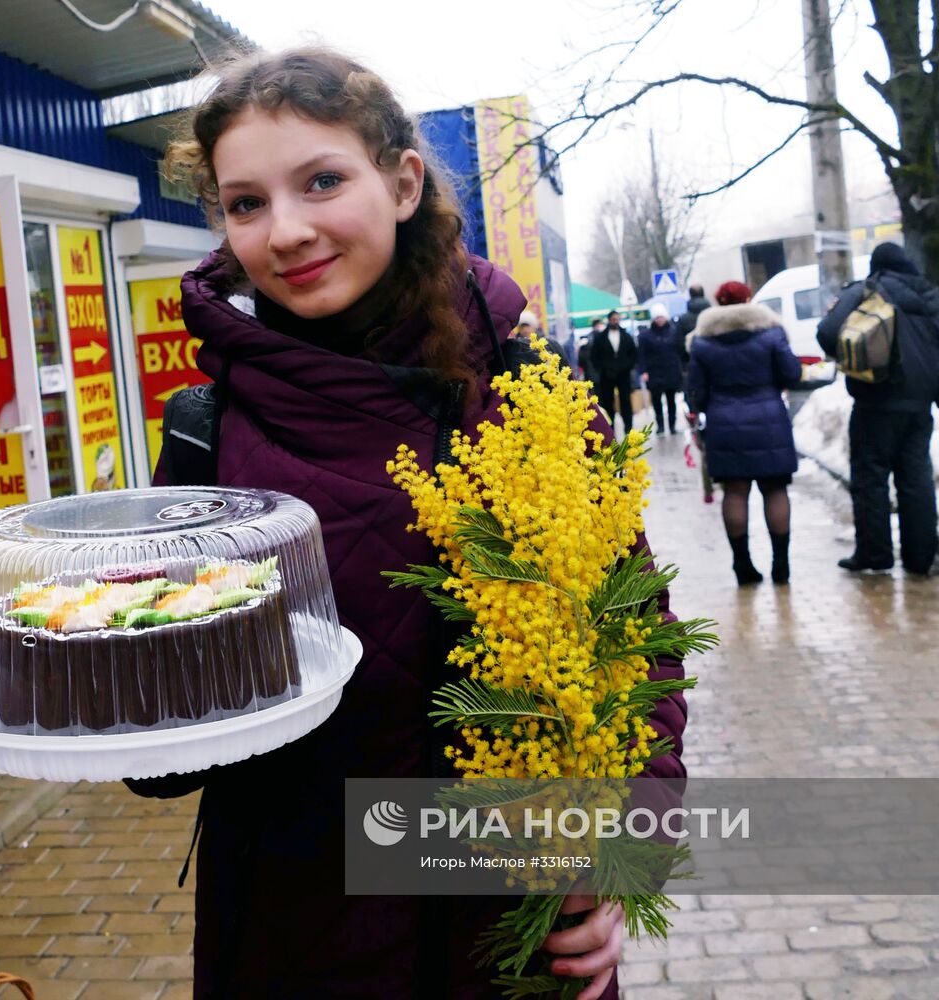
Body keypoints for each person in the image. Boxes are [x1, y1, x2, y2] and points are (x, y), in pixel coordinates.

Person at [123, 47, 688, 1000]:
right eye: (246, 203)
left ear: (402, 182)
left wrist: (623, 853)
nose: (287, 231)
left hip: (512, 931)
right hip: (293, 938)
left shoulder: (528, 399)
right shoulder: (207, 432)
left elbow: (636, 644)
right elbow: (163, 751)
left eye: (323, 181)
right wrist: (129, 703)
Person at [816, 242, 939, 575]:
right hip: (921, 403)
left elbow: (828, 333)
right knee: (916, 479)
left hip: (875, 399)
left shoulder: (868, 290)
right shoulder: (930, 296)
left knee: (870, 478)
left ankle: (874, 555)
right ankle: (920, 558)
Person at [687, 281, 802, 584]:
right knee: (775, 490)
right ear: (748, 298)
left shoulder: (702, 342)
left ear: (719, 303)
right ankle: (781, 565)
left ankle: (743, 566)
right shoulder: (772, 332)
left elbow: (696, 392)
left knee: (735, 492)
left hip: (724, 423)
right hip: (770, 420)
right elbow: (792, 373)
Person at [585, 309, 638, 435]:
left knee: (625, 401)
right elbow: (594, 356)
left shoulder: (626, 336)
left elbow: (633, 354)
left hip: (623, 374)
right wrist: (602, 369)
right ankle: (610, 427)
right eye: (613, 319)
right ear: (609, 320)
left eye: (617, 319)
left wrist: (627, 366)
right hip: (606, 375)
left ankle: (628, 426)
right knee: (608, 402)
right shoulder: (601, 337)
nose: (615, 322)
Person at [637, 301, 686, 434]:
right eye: (657, 317)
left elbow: (679, 350)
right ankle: (660, 426)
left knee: (671, 400)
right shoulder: (646, 335)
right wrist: (643, 371)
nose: (659, 320)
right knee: (656, 400)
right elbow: (641, 355)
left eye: (661, 317)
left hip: (671, 370)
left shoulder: (673, 331)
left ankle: (672, 425)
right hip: (654, 372)